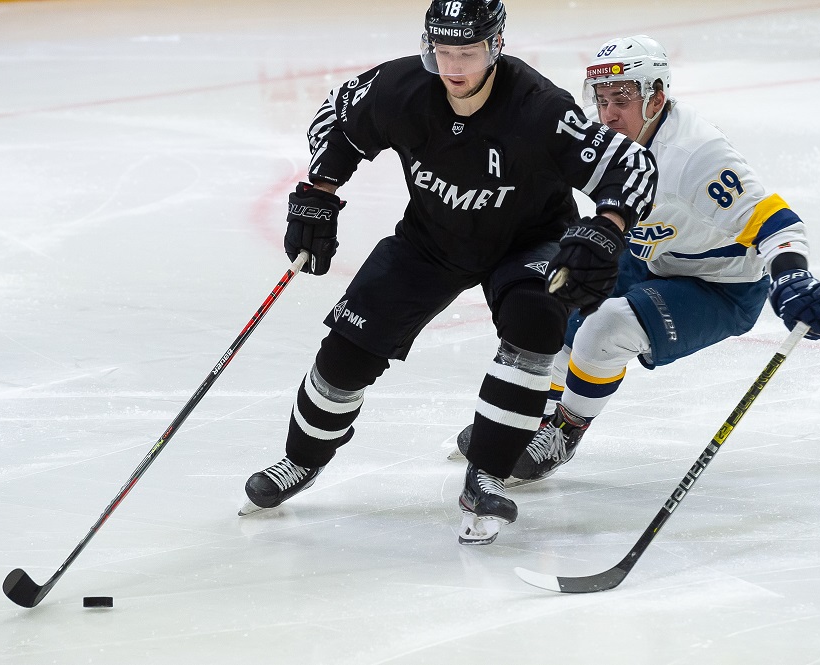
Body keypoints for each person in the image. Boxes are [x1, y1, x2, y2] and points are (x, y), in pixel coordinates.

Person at [238, 1, 657, 546]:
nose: (453, 67)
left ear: (496, 46)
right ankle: (300, 459)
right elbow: (338, 117)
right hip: (431, 240)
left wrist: (606, 228)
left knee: (535, 321)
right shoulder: (400, 89)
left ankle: (486, 476)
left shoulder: (539, 106)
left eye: (468, 52)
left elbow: (631, 165)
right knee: (347, 350)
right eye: (442, 51)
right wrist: (318, 192)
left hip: (526, 241)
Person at [452, 35, 820, 485]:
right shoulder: (604, 136)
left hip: (720, 285)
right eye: (602, 100)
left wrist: (792, 278)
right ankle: (528, 418)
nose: (608, 115)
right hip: (651, 255)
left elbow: (776, 222)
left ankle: (564, 432)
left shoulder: (696, 155)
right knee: (550, 302)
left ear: (656, 98)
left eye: (622, 100)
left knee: (604, 329)